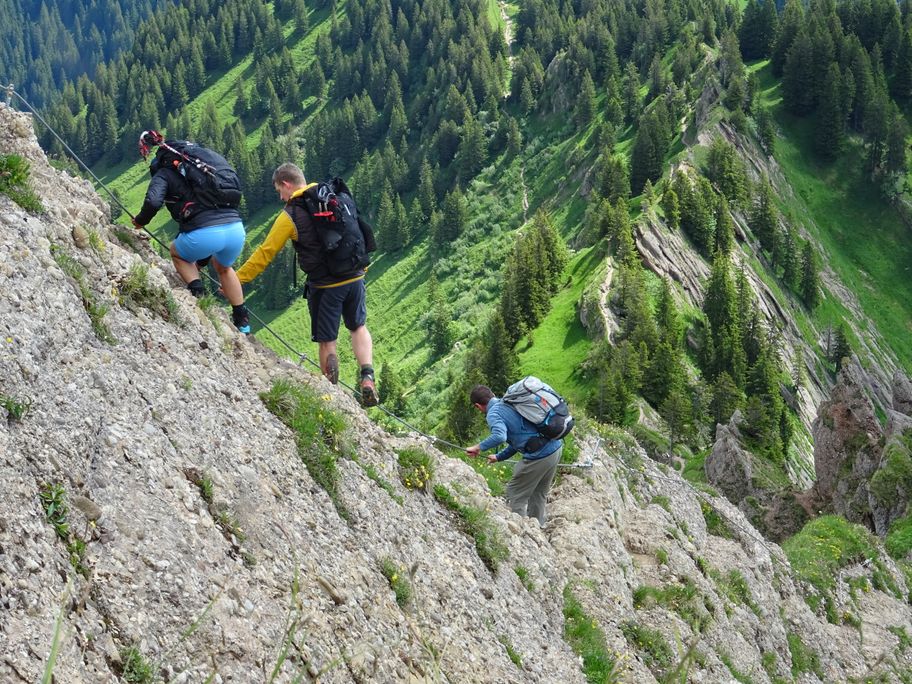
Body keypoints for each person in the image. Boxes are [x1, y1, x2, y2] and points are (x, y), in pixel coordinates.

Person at [235, 162, 378, 406]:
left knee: (327, 341)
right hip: (355, 276)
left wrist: (236, 279)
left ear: (287, 184)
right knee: (358, 327)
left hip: (326, 286)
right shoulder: (332, 195)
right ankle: (367, 376)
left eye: (280, 191)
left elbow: (265, 253)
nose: (281, 197)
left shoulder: (291, 214)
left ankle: (330, 393)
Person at [132, 130, 250, 333]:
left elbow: (153, 202)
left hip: (204, 233)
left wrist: (140, 221)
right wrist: (202, 261)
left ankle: (199, 296)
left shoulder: (164, 173)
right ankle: (243, 321)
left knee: (177, 253)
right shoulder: (201, 171)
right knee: (224, 268)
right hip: (236, 231)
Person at [465, 384, 563, 526]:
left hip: (540, 455)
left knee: (515, 492)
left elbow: (500, 436)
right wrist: (499, 457)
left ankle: (520, 533)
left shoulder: (493, 413)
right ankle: (538, 527)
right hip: (555, 447)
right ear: (492, 394)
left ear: (478, 406)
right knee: (539, 493)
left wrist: (478, 447)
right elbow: (520, 438)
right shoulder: (510, 403)